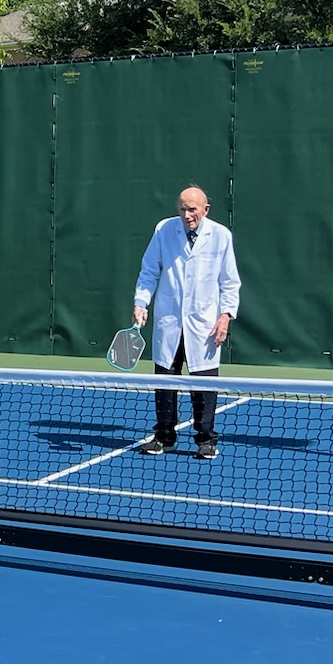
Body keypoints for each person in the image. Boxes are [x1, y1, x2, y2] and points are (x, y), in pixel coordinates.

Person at [130, 186, 241, 459]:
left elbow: (230, 282)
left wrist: (225, 316)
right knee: (166, 382)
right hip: (169, 320)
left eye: (192, 209)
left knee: (204, 384)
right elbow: (149, 270)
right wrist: (140, 303)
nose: (187, 214)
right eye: (182, 208)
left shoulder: (221, 236)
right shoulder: (164, 230)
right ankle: (163, 438)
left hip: (204, 323)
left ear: (205, 209)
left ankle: (206, 441)